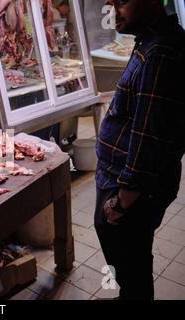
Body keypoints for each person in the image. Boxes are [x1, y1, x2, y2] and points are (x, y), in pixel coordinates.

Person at [95, 0, 185, 300]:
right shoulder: (151, 40)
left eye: (120, 1)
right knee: (132, 269)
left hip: (131, 195)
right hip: (129, 187)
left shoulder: (160, 53)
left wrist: (120, 203)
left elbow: (149, 140)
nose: (111, 10)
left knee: (133, 275)